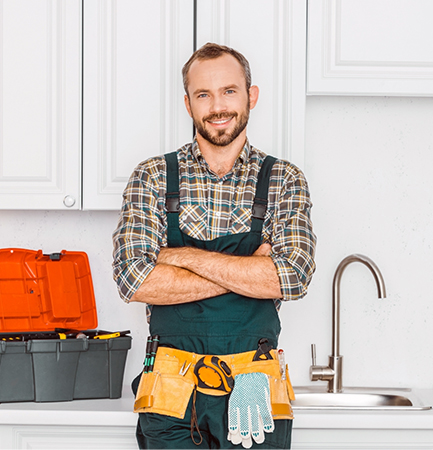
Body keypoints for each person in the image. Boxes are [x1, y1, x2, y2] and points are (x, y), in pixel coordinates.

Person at [112, 42, 316, 449]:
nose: (217, 106)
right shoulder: (152, 176)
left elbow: (291, 277)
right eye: (203, 94)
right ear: (188, 104)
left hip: (253, 382)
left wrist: (181, 258)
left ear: (251, 96)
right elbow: (134, 281)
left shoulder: (283, 180)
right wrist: (249, 271)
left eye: (229, 91)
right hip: (170, 389)